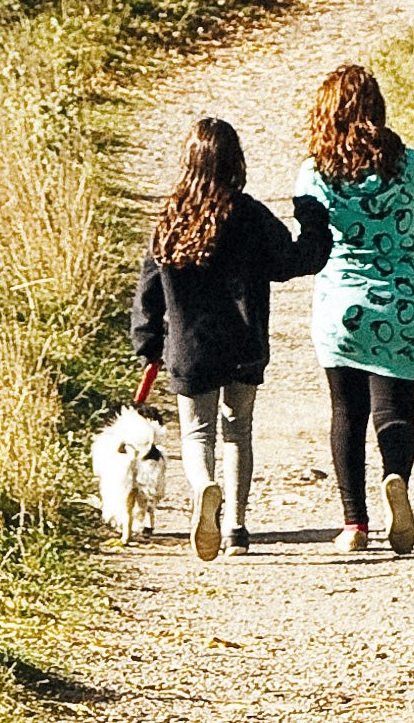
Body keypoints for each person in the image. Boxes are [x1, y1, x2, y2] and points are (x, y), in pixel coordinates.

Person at [132, 117, 330, 559]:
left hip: (190, 349)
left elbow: (148, 290)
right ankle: (238, 529)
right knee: (238, 433)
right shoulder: (250, 215)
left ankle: (205, 489)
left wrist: (147, 344)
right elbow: (296, 260)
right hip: (244, 343)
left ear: (189, 161)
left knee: (197, 435)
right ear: (235, 161)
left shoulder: (170, 218)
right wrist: (312, 215)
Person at [296, 65, 414, 553]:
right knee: (395, 409)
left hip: (341, 308)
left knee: (346, 412)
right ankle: (396, 479)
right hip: (401, 307)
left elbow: (308, 239)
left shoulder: (315, 172)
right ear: (377, 109)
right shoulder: (410, 164)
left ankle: (354, 524)